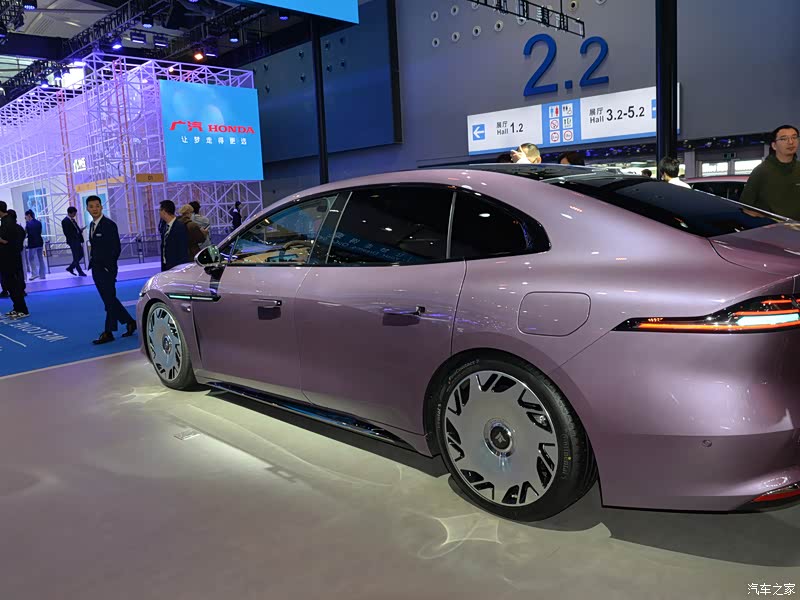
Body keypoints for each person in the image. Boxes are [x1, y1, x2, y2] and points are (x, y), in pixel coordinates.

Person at [86, 195, 136, 345]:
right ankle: (130, 322)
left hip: (107, 269)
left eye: (97, 206)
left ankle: (109, 332)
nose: (94, 209)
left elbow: (116, 248)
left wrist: (109, 267)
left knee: (109, 300)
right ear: (87, 209)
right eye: (91, 206)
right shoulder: (92, 225)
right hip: (96, 268)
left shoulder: (109, 225)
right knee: (109, 299)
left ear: (102, 207)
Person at [740, 125, 800, 219]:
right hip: (771, 227)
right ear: (774, 145)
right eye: (784, 139)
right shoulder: (761, 171)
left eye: (794, 137)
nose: (790, 142)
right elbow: (746, 207)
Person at [0, 209, 29, 318]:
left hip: (11, 259)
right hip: (10, 258)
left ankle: (22, 309)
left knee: (14, 284)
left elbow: (8, 241)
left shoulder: (10, 226)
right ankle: (17, 308)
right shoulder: (16, 228)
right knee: (11, 284)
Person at [159, 200, 189, 271]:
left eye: (160, 210)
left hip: (176, 268)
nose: (159, 212)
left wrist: (181, 269)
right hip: (166, 266)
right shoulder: (165, 227)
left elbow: (183, 250)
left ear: (164, 211)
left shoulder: (179, 227)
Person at [61, 206, 87, 277]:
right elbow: (67, 233)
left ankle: (71, 267)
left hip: (77, 240)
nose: (75, 215)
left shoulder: (73, 220)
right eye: (74, 213)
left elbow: (75, 230)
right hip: (73, 241)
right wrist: (76, 234)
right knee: (76, 256)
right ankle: (80, 272)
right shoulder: (65, 221)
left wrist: (80, 230)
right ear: (70, 213)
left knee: (81, 255)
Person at [24, 209, 46, 280]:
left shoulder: (28, 224)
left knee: (31, 258)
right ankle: (42, 274)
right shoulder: (39, 223)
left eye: (25, 216)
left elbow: (26, 233)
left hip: (32, 243)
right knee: (40, 258)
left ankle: (34, 274)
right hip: (40, 242)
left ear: (29, 215)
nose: (25, 218)